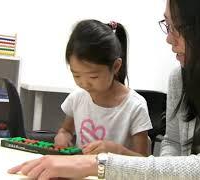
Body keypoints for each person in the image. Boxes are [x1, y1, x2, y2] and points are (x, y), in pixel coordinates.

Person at [8, 0, 200, 179]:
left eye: (177, 28)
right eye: (167, 25)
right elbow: (174, 145)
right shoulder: (181, 77)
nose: (168, 38)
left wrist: (96, 164)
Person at [53, 19, 152, 157]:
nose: (84, 84)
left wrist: (116, 150)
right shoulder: (77, 98)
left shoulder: (135, 106)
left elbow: (143, 162)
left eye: (93, 77)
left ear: (116, 66)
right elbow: (66, 130)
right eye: (76, 75)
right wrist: (62, 136)